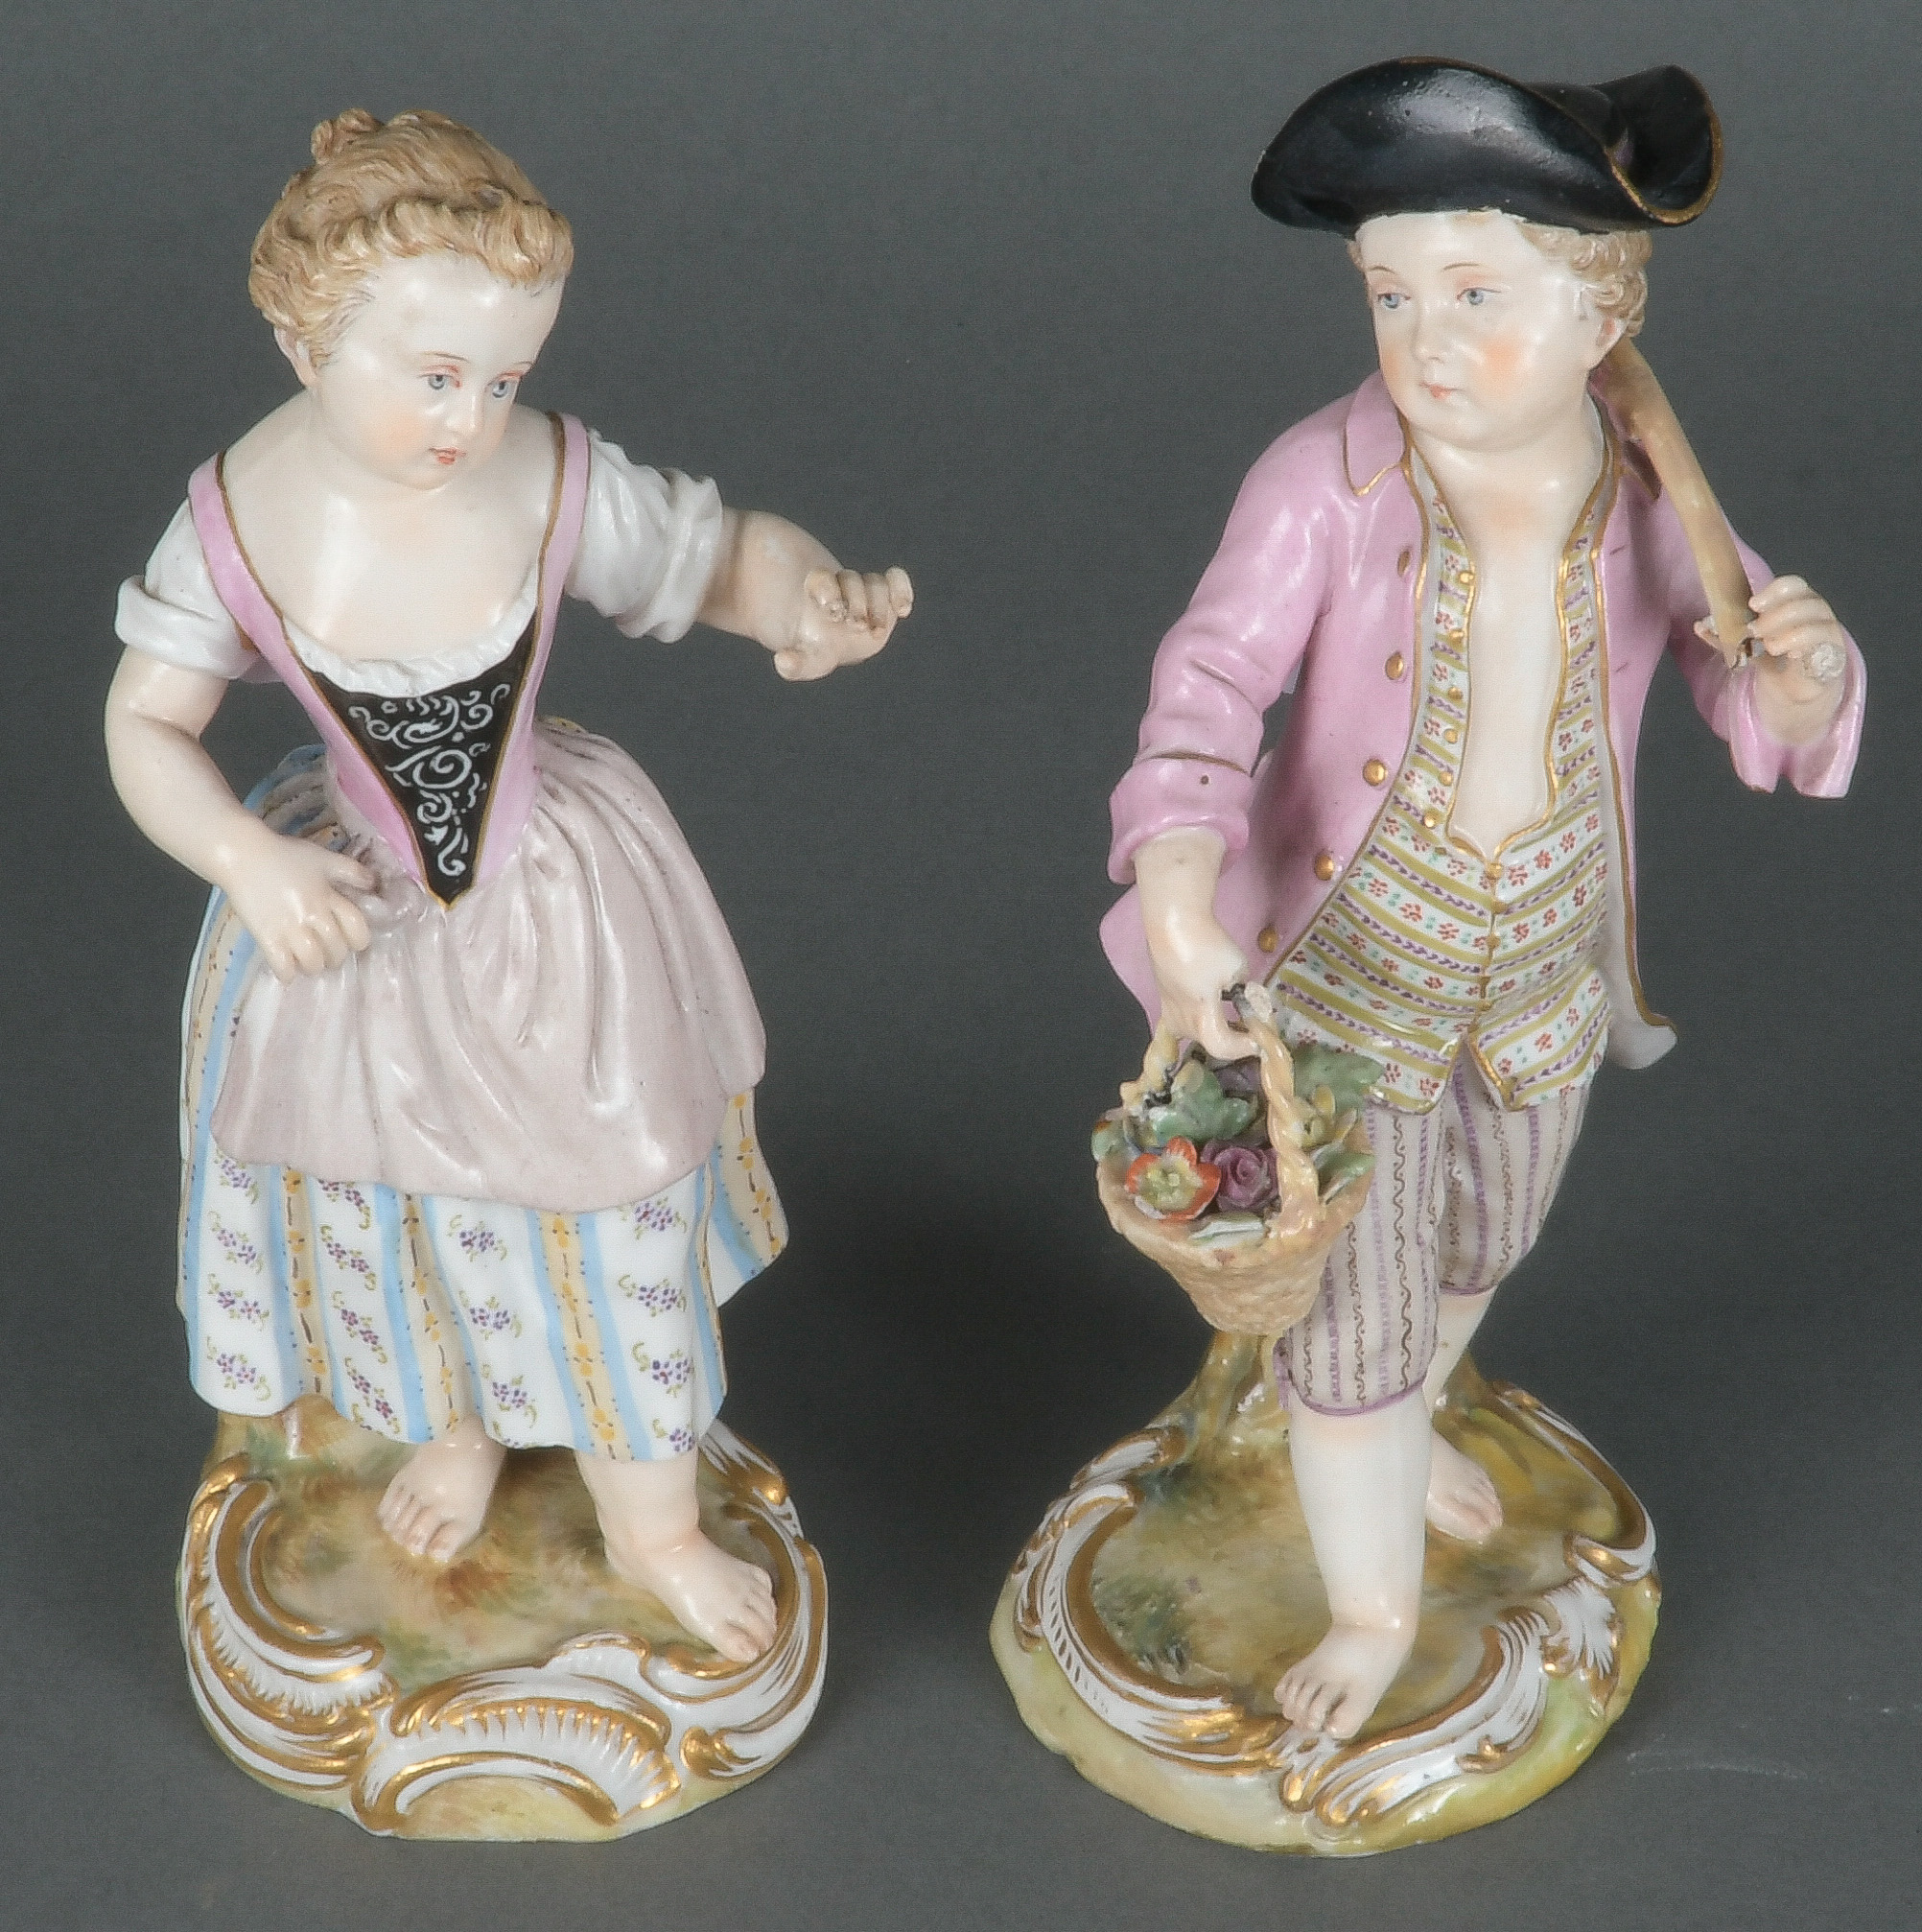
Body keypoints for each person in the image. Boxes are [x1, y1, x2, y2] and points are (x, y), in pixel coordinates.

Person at [1100, 59, 1863, 1740]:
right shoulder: (1325, 480)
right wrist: (1177, 888)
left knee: (1485, 1237)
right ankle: (1371, 1598)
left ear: (1602, 313)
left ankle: (1409, 1404)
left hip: (1544, 964)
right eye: (1391, 294)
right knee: (1357, 1307)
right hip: (1354, 972)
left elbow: (1739, 674)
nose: (1426, 339)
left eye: (1474, 294)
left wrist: (1802, 688)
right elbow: (1205, 694)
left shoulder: (1642, 488)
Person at [105, 108, 911, 1665]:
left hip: (558, 915)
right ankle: (459, 1420)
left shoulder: (542, 476)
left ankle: (653, 1521)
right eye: (434, 375)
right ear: (302, 341)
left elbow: (713, 554)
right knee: (412, 1217)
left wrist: (802, 596)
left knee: (613, 1213)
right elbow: (144, 725)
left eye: (503, 377)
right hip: (358, 930)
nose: (471, 416)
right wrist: (248, 859)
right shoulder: (236, 520)